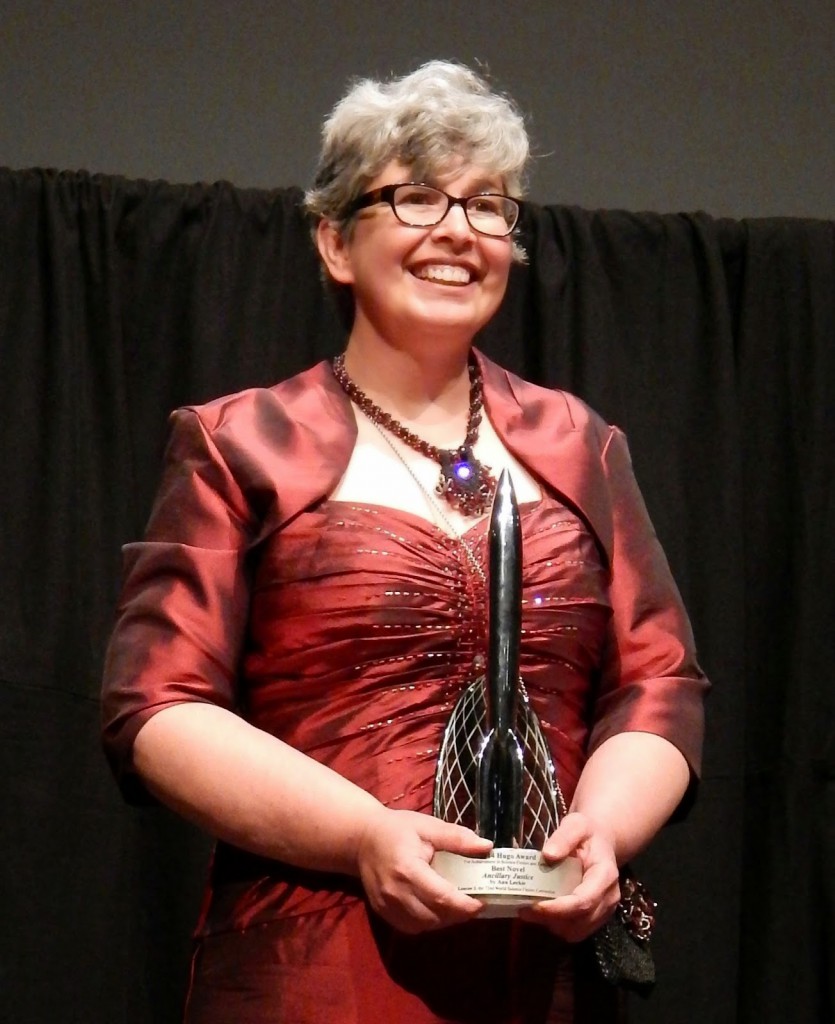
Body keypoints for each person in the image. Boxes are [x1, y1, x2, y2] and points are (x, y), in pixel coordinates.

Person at [101, 61, 708, 1023]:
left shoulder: (582, 447)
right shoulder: (240, 443)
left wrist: (603, 833)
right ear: (336, 241)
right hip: (320, 964)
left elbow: (657, 683)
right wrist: (362, 837)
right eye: (416, 197)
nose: (458, 231)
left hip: (544, 970)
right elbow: (158, 708)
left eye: (488, 205)